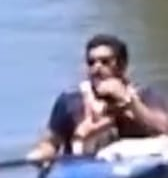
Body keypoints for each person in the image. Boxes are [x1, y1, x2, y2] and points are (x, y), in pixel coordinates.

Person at [27, 33, 168, 160]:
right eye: (91, 62)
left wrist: (129, 102)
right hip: (87, 170)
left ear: (122, 66)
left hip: (136, 166)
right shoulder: (70, 101)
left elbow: (164, 128)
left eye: (105, 62)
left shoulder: (145, 96)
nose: (97, 67)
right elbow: (51, 142)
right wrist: (43, 153)